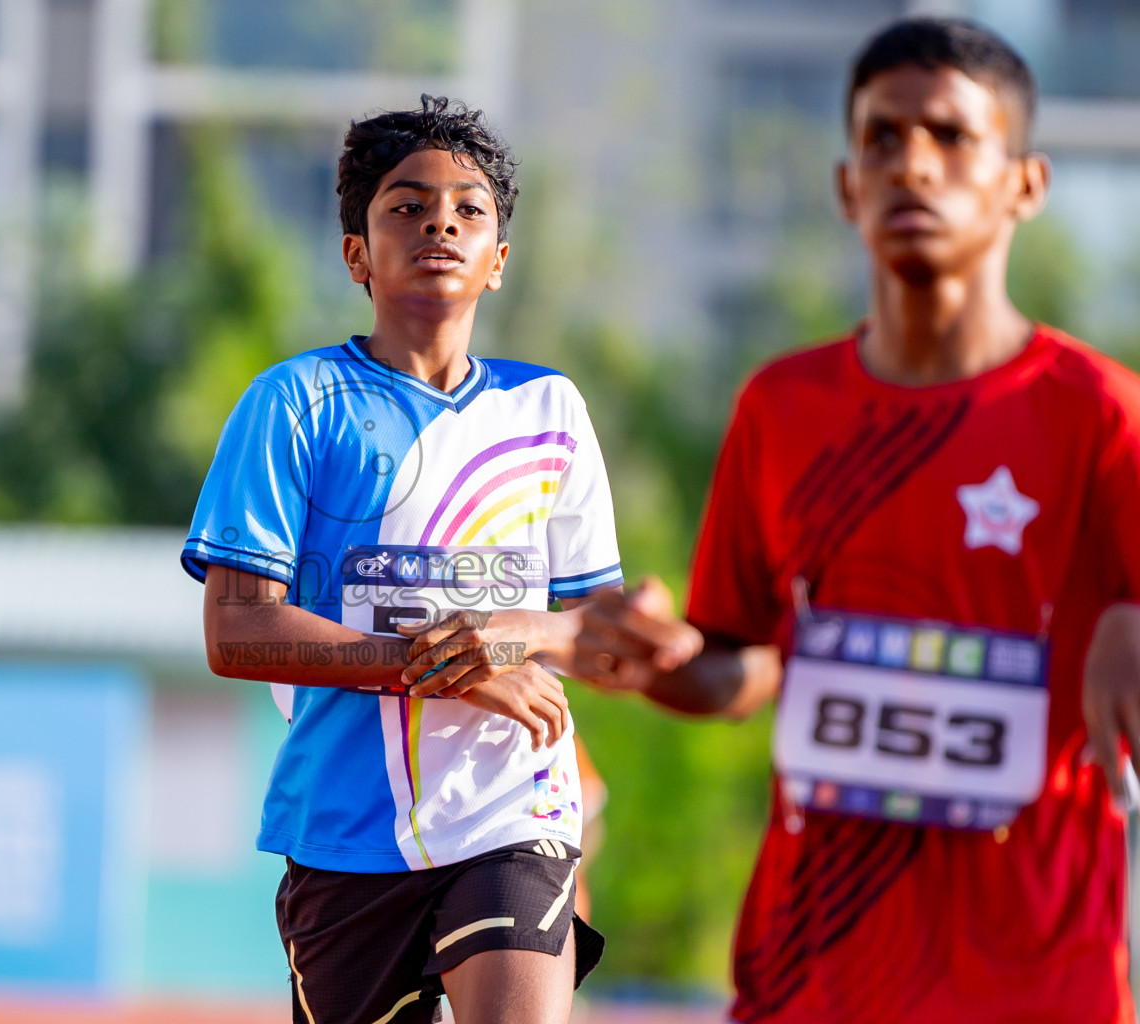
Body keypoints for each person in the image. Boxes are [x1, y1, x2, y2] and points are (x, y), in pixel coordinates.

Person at [576, 17, 1140, 1023]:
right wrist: (657, 656)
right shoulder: (782, 409)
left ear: (1027, 182)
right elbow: (746, 663)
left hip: (1041, 988)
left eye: (951, 136)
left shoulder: (1104, 417)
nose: (912, 164)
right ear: (847, 186)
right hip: (811, 981)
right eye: (882, 137)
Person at [182, 95, 687, 1024]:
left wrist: (516, 637)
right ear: (357, 254)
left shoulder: (550, 413)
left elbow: (600, 643)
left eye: (468, 209)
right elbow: (237, 630)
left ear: (498, 260)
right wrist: (444, 671)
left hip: (513, 810)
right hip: (345, 833)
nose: (440, 224)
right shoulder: (293, 403)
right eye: (406, 208)